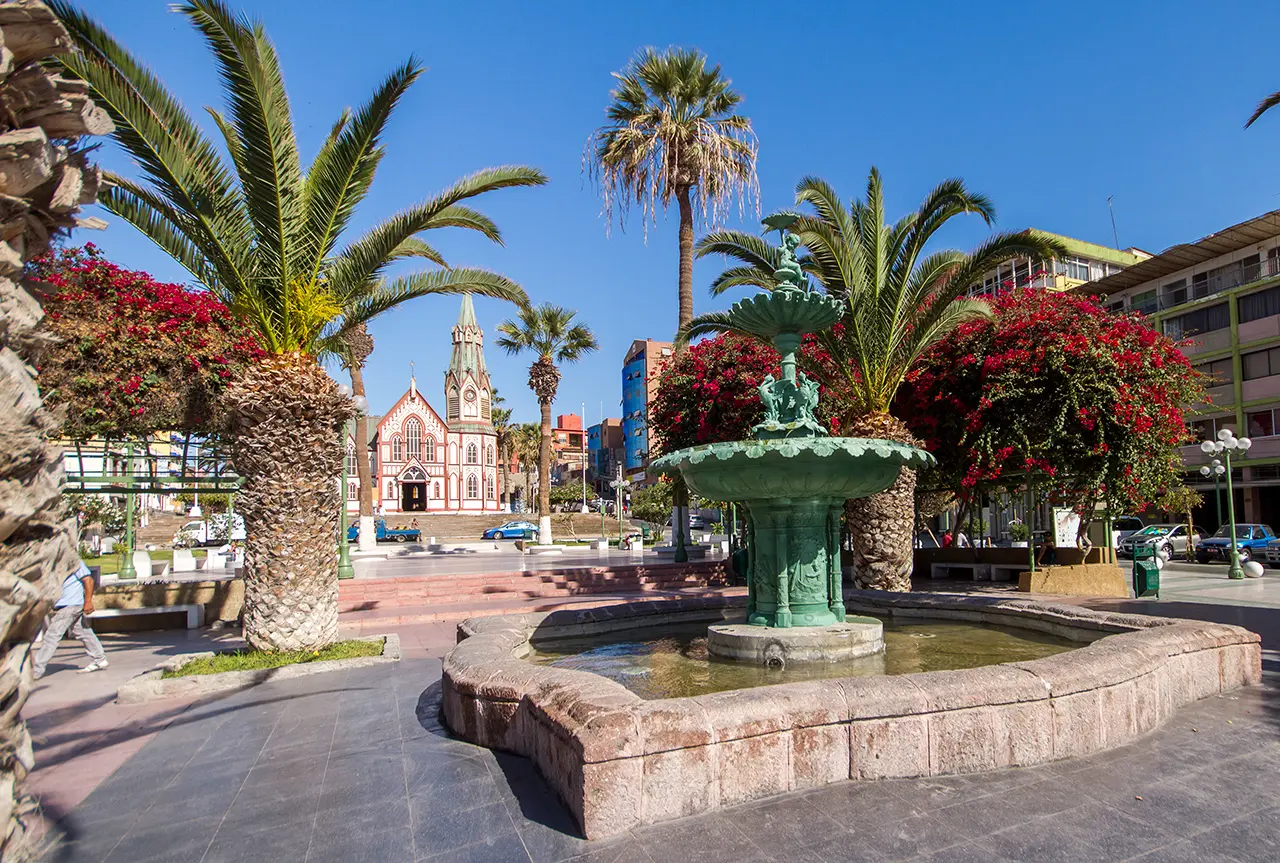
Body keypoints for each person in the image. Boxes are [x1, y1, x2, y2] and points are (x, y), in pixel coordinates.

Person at [32, 560, 108, 679]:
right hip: (66, 604)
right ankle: (99, 659)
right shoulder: (52, 563)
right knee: (82, 631)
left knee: (52, 636)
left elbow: (88, 580)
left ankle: (36, 670)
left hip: (70, 605)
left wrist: (88, 601)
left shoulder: (73, 561)